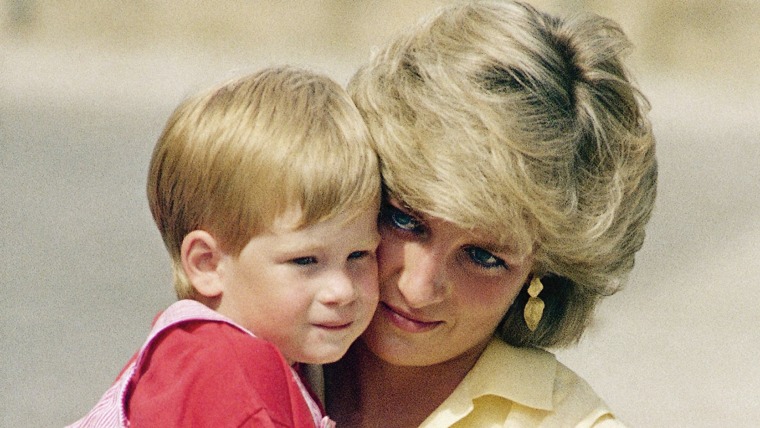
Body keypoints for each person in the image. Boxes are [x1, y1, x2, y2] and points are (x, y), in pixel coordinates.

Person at [320, 1, 657, 426]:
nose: (419, 288)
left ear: (544, 273)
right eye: (405, 219)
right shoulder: (239, 330)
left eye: (483, 257)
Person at [68, 66, 381, 427]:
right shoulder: (229, 381)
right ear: (207, 264)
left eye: (359, 255)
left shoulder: (192, 350)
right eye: (305, 260)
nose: (342, 290)